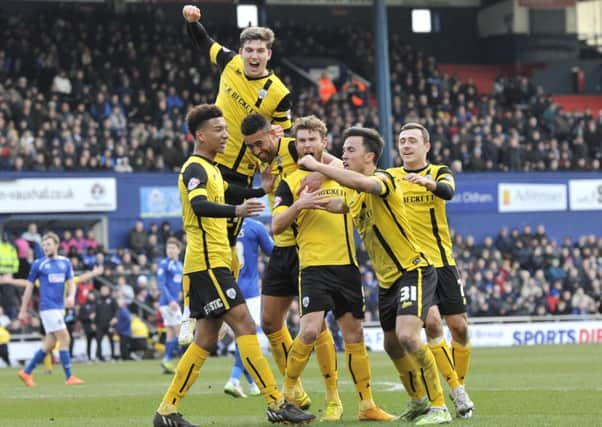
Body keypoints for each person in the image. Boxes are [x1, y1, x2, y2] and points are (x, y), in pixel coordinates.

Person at [152, 104, 314, 427]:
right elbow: (199, 205)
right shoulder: (195, 169)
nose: (226, 134)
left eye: (225, 128)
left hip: (212, 264)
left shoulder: (211, 169)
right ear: (200, 135)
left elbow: (229, 189)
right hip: (209, 264)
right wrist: (237, 211)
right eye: (219, 129)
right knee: (244, 324)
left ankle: (166, 411)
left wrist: (260, 190)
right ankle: (276, 402)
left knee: (206, 340)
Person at [297, 126, 453, 425]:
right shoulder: (354, 195)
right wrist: (315, 202)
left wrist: (318, 165)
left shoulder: (384, 179)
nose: (343, 155)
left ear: (369, 156)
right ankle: (418, 400)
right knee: (391, 345)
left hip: (412, 270)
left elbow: (366, 186)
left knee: (408, 336)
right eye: (341, 150)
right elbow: (345, 203)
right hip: (388, 281)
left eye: (350, 150)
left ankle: (439, 406)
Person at [272, 116, 394, 422]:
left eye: (312, 139)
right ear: (295, 145)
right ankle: (286, 397)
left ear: (324, 142)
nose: (307, 145)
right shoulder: (288, 182)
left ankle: (366, 405)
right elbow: (276, 226)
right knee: (310, 329)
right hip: (313, 267)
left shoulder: (343, 174)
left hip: (347, 267)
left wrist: (326, 172)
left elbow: (358, 193)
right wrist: (300, 204)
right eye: (301, 141)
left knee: (354, 334)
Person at [182, 4, 292, 280]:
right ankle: (198, 305)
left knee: (229, 241)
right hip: (210, 161)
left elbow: (283, 137)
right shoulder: (229, 62)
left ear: (268, 54)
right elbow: (203, 41)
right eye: (249, 50)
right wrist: (193, 22)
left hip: (241, 172)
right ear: (242, 52)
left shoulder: (279, 94)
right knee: (202, 234)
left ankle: (226, 298)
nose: (254, 56)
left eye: (260, 51)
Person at [241, 113, 340, 414]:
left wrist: (320, 174)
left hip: (305, 246)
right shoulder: (262, 159)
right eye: (251, 147)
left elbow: (337, 164)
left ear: (273, 134)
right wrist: (265, 188)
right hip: (281, 249)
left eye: (260, 144)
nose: (257, 151)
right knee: (269, 321)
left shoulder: (296, 146)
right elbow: (273, 189)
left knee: (316, 325)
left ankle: (332, 395)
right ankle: (293, 386)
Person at [390, 122, 474, 418]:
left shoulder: (439, 171)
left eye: (412, 140)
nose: (406, 145)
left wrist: (431, 185)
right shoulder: (391, 177)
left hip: (444, 263)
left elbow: (449, 190)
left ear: (426, 146)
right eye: (402, 141)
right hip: (415, 267)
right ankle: (456, 392)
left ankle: (457, 384)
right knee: (434, 323)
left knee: (459, 328)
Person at [15, 232, 84, 387]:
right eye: (44, 245)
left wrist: (72, 296)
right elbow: (29, 288)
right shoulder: (39, 264)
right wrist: (23, 309)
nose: (45, 247)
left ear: (56, 245)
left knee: (51, 343)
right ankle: (69, 377)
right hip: (48, 308)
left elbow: (72, 282)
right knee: (65, 338)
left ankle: (26, 372)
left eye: (48, 244)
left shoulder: (65, 262)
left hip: (59, 308)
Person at [224, 218, 273, 399]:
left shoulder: (219, 221)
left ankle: (252, 384)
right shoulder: (255, 226)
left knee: (241, 338)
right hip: (249, 291)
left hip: (226, 288)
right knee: (248, 336)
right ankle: (234, 379)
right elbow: (273, 251)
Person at [157, 237, 184, 374]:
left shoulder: (179, 265)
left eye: (173, 248)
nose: (170, 250)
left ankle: (166, 363)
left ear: (179, 250)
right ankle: (169, 359)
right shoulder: (164, 264)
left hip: (173, 303)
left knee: (171, 332)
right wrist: (171, 300)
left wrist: (179, 296)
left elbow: (179, 285)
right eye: (168, 248)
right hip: (168, 304)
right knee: (181, 333)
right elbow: (161, 284)